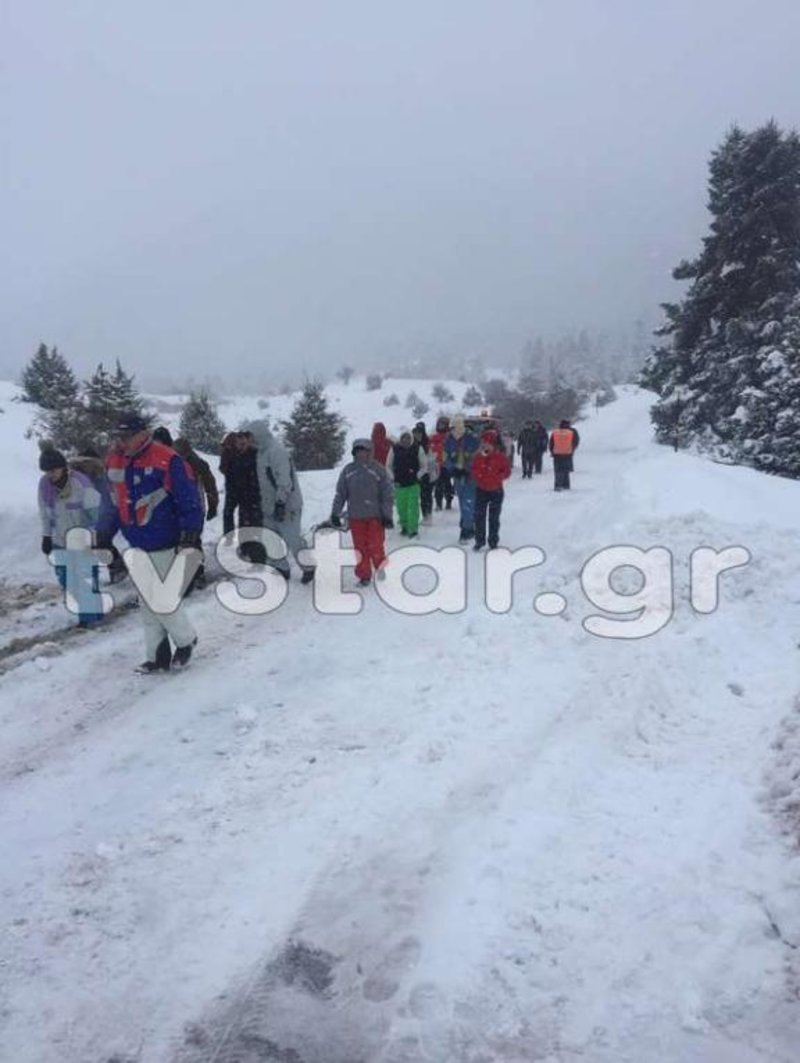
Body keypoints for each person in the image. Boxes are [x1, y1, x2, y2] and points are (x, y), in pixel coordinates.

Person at [97, 413, 203, 671]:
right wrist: (103, 532)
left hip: (165, 539)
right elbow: (113, 502)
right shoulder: (115, 461)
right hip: (137, 542)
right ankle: (157, 656)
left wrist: (190, 533)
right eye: (118, 436)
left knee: (161, 600)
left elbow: (188, 499)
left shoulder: (166, 459)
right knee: (147, 603)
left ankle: (186, 640)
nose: (122, 441)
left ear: (142, 433)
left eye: (126, 436)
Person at [38, 447, 104, 627]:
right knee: (67, 580)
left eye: (53, 471)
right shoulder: (45, 486)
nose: (50, 475)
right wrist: (46, 536)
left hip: (82, 538)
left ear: (62, 468)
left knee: (85, 578)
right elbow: (45, 513)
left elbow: (95, 514)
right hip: (60, 540)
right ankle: (86, 614)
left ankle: (91, 618)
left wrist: (94, 537)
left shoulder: (80, 483)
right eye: (46, 472)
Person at [242, 421, 315, 583]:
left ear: (258, 434)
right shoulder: (261, 453)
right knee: (271, 538)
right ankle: (281, 567)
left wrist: (281, 503)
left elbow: (284, 481)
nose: (248, 440)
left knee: (292, 538)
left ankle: (308, 566)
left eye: (250, 436)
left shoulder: (277, 452)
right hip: (268, 505)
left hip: (288, 505)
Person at [330, 438, 394, 585]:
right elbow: (341, 494)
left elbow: (387, 495)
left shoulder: (378, 469)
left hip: (375, 517)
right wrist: (335, 513)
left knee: (376, 544)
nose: (361, 454)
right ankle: (364, 574)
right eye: (358, 451)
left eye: (364, 451)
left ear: (369, 452)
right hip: (356, 517)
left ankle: (380, 565)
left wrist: (387, 515)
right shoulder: (348, 471)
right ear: (354, 453)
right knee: (360, 547)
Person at [173, 437, 220, 591]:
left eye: (179, 450)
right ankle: (189, 572)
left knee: (193, 540)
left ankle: (197, 573)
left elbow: (210, 485)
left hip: (196, 507)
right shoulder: (173, 463)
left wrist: (213, 505)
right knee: (183, 540)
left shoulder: (197, 464)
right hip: (180, 508)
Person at [220, 431, 264, 562]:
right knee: (244, 523)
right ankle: (245, 549)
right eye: (239, 443)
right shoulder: (235, 456)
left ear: (248, 441)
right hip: (240, 493)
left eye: (244, 442)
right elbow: (229, 473)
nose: (241, 445)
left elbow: (260, 475)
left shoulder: (256, 455)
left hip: (254, 496)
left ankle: (258, 558)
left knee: (254, 526)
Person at [470, 430, 511, 550]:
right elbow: (473, 470)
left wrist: (497, 478)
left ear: (494, 444)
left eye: (488, 443)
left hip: (496, 490)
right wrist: (478, 476)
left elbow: (507, 472)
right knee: (479, 516)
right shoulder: (478, 456)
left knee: (494, 518)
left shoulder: (501, 457)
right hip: (481, 489)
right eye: (484, 443)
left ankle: (493, 541)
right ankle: (479, 541)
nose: (485, 445)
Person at [444, 414, 479, 542]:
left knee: (468, 502)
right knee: (463, 501)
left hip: (471, 476)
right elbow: (445, 457)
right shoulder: (449, 440)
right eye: (451, 429)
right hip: (457, 477)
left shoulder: (472, 439)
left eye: (453, 428)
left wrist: (467, 468)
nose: (452, 431)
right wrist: (452, 468)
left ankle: (467, 529)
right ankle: (468, 524)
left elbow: (477, 456)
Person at [386, 427, 425, 538]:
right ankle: (404, 526)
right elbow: (388, 465)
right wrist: (392, 477)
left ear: (411, 439)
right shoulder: (394, 449)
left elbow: (424, 465)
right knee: (401, 507)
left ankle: (413, 529)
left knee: (412, 506)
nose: (406, 440)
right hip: (399, 484)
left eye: (408, 438)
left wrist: (418, 475)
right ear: (400, 439)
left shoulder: (418, 449)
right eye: (404, 438)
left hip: (413, 483)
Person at [412, 421, 438, 525]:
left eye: (419, 432)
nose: (417, 435)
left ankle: (428, 515)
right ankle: (423, 515)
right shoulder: (412, 444)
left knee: (426, 495)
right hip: (416, 473)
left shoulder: (428, 444)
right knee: (420, 496)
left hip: (427, 473)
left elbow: (432, 459)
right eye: (416, 433)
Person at [429, 416, 454, 510]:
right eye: (440, 424)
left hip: (447, 464)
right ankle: (439, 503)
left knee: (447, 483)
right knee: (438, 484)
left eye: (443, 424)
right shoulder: (434, 437)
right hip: (437, 464)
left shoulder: (450, 436)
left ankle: (448, 501)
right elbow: (430, 447)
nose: (441, 426)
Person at [549, 419, 580, 491]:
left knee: (558, 471)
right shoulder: (572, 432)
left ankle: (558, 485)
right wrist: (572, 449)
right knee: (566, 470)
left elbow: (551, 443)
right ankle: (566, 485)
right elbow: (576, 441)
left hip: (557, 454)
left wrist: (552, 452)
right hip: (568, 454)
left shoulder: (555, 432)